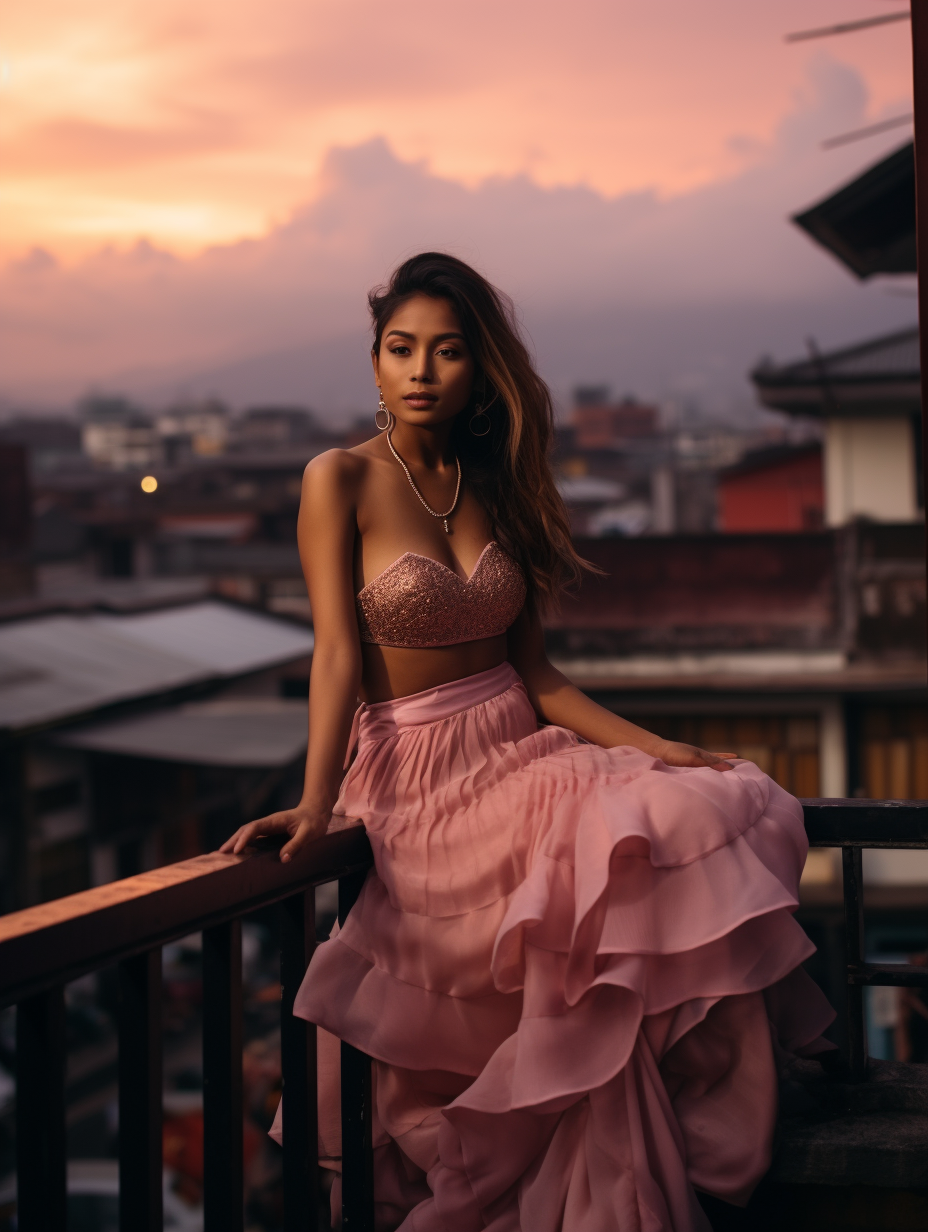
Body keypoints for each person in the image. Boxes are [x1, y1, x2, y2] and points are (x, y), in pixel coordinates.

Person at [221, 252, 835, 1232]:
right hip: (423, 780)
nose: (421, 369)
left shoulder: (494, 481)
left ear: (479, 366)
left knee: (712, 799)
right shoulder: (335, 477)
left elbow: (539, 675)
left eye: (448, 349)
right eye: (400, 347)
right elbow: (335, 653)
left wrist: (659, 745)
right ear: (374, 360)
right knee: (612, 888)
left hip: (522, 746)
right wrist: (315, 798)